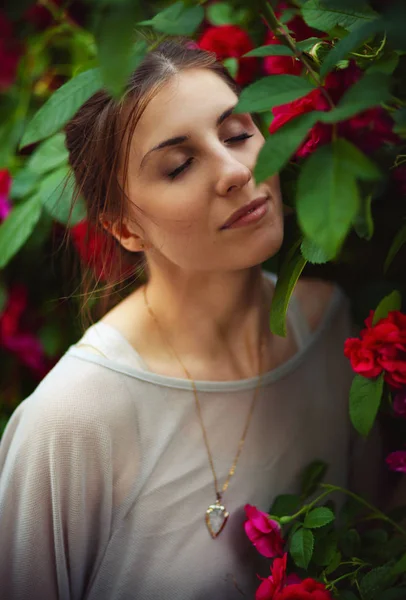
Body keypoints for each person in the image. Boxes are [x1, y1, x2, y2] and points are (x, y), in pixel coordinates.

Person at [0, 38, 353, 600]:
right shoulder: (72, 421)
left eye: (238, 133)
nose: (235, 170)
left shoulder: (331, 328)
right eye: (179, 165)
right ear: (123, 228)